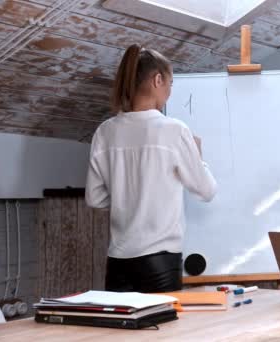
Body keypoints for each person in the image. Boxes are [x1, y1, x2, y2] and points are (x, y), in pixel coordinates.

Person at [85, 44, 217, 293]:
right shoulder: (174, 130)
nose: (169, 91)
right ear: (158, 79)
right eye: (170, 83)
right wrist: (198, 158)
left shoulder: (104, 132)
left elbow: (95, 199)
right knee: (163, 333)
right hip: (160, 262)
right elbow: (206, 190)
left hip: (118, 261)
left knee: (118, 333)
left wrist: (127, 197)